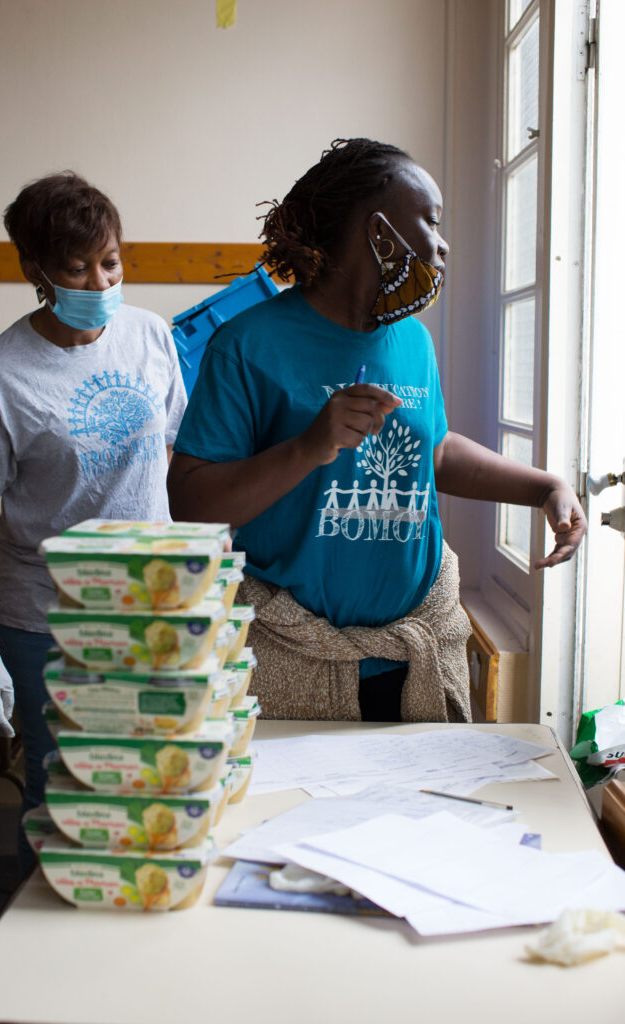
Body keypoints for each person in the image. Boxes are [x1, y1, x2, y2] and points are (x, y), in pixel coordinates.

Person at [168, 137, 586, 724]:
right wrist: (308, 447)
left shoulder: (413, 339)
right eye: (431, 221)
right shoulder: (247, 343)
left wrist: (544, 487)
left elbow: (434, 452)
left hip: (415, 648)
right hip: (293, 653)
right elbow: (190, 503)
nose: (443, 243)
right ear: (379, 231)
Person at [0, 172, 187, 864]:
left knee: (149, 787)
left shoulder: (151, 336)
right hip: (47, 617)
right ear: (36, 271)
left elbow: (167, 450)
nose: (99, 283)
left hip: (148, 607)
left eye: (110, 262)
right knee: (61, 796)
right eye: (77, 269)